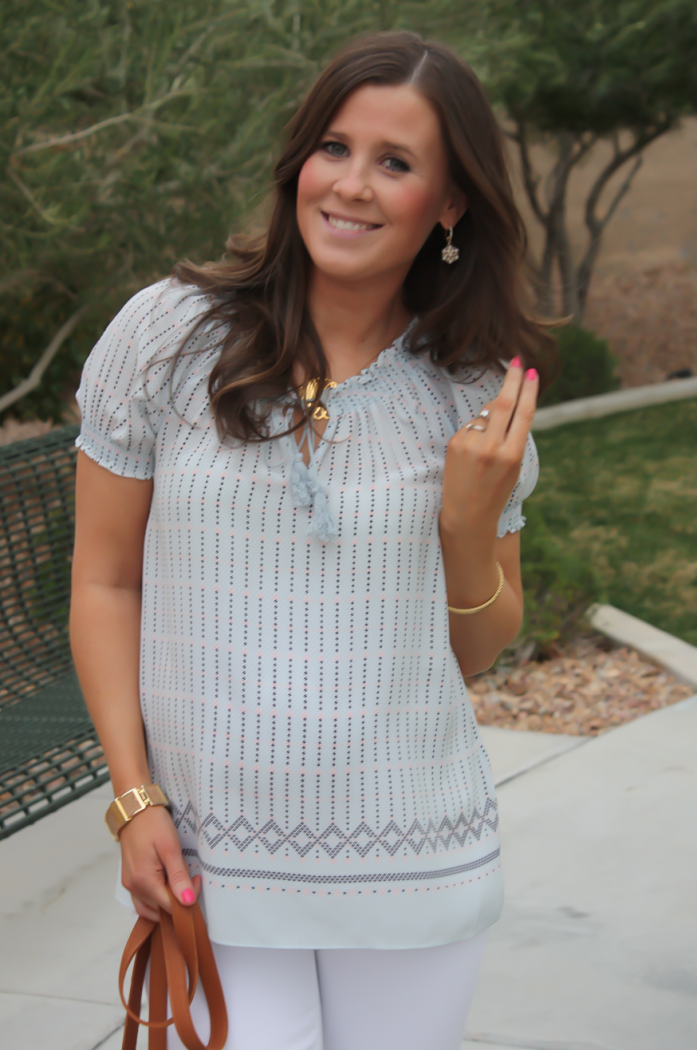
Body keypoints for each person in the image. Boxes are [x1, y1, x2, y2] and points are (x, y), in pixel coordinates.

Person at [70, 30, 557, 1050]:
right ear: (297, 162)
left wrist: (468, 522)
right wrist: (132, 800)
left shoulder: (475, 393)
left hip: (412, 854)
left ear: (450, 204)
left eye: (395, 163)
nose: (350, 186)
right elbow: (108, 581)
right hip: (203, 852)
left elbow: (469, 653)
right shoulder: (165, 337)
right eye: (333, 148)